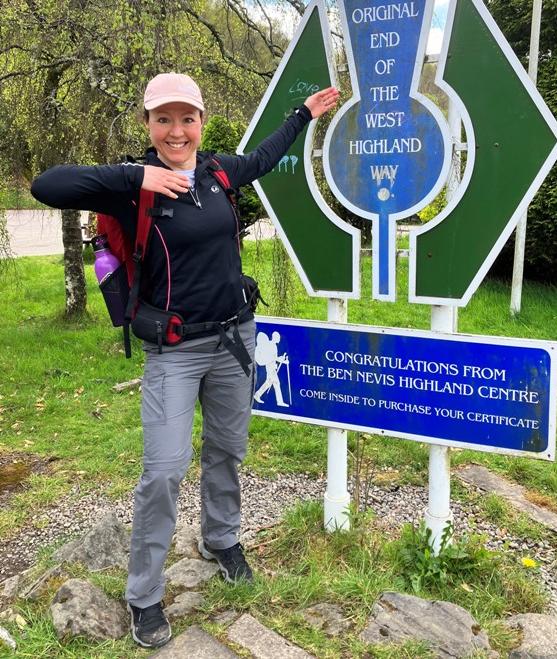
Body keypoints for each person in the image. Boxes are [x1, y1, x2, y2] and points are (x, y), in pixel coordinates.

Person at [31, 73, 339, 649]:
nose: (178, 130)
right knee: (164, 471)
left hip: (233, 341)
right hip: (172, 352)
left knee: (228, 449)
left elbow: (266, 156)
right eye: (164, 119)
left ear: (200, 122)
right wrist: (135, 174)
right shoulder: (131, 188)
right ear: (149, 125)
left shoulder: (218, 172)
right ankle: (144, 594)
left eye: (187, 118)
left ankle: (221, 539)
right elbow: (46, 185)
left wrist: (303, 115)